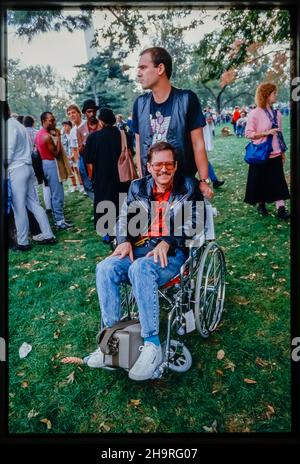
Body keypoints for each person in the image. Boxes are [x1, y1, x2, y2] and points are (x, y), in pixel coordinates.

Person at [84, 141, 204, 381]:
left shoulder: (188, 186)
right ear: (148, 167)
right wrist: (123, 239)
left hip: (172, 254)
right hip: (139, 250)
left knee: (140, 269)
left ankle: (151, 345)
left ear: (176, 165)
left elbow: (194, 220)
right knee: (105, 267)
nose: (163, 169)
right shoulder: (137, 187)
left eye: (168, 164)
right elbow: (123, 217)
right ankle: (112, 340)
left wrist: (168, 240)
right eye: (157, 164)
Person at [131, 46, 213, 200]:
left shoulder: (187, 99)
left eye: (143, 67)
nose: (138, 73)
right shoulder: (139, 104)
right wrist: (143, 181)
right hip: (153, 186)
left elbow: (198, 144)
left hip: (183, 185)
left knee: (185, 222)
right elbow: (139, 146)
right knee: (156, 223)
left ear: (160, 68)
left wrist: (203, 180)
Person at [6, 103, 56, 249]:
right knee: (34, 203)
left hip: (16, 168)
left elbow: (8, 152)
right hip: (27, 167)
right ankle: (48, 234)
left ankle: (23, 242)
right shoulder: (18, 125)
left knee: (18, 207)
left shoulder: (9, 127)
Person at [244, 82, 290, 219]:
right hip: (261, 154)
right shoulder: (254, 114)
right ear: (266, 95)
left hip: (275, 153)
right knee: (261, 181)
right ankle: (261, 205)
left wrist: (282, 152)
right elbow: (248, 133)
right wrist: (266, 133)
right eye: (274, 93)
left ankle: (281, 209)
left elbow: (279, 134)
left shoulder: (278, 113)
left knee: (278, 181)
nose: (276, 95)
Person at [83, 107, 128, 235]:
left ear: (101, 121)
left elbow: (88, 159)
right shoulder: (123, 134)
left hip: (102, 175)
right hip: (121, 175)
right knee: (121, 200)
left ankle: (106, 229)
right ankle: (123, 225)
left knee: (104, 202)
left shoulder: (94, 137)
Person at [35, 112, 73, 230]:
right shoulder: (46, 136)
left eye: (54, 120)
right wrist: (58, 137)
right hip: (50, 164)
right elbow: (56, 153)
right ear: (44, 121)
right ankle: (59, 221)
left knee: (54, 192)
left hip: (45, 163)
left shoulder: (40, 133)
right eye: (51, 120)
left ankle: (58, 217)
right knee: (57, 193)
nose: (54, 122)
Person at [61, 120, 83, 193]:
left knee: (78, 171)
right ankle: (74, 186)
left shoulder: (74, 133)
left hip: (75, 155)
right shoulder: (63, 136)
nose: (65, 127)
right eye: (63, 126)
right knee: (71, 172)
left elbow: (76, 146)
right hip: (67, 156)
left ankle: (82, 185)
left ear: (70, 126)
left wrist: (73, 155)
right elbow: (63, 147)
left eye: (66, 125)